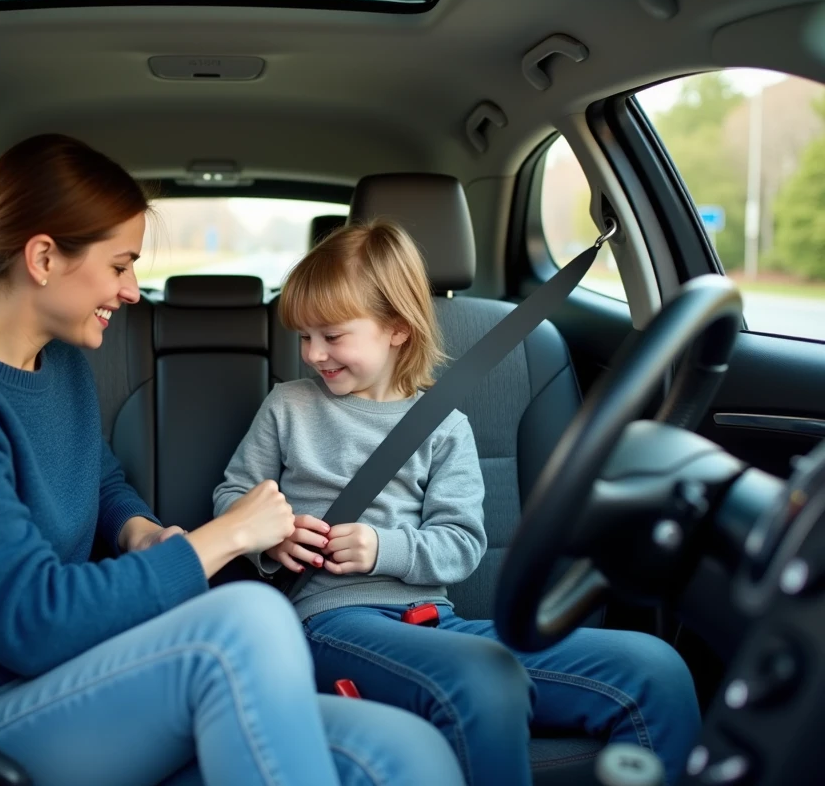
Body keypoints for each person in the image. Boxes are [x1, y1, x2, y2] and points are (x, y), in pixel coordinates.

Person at [0, 134, 463, 786]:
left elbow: (98, 477)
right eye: (120, 265)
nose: (134, 291)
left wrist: (140, 531)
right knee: (247, 623)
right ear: (45, 258)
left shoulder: (59, 366)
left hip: (71, 674)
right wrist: (225, 538)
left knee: (408, 754)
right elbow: (30, 620)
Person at [213, 219, 702, 786]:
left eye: (332, 335)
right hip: (328, 624)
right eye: (304, 337)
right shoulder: (289, 407)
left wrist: (382, 548)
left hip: (438, 626)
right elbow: (231, 495)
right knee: (480, 680)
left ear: (397, 328)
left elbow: (462, 543)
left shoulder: (445, 428)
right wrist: (272, 535)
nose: (314, 353)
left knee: (656, 671)